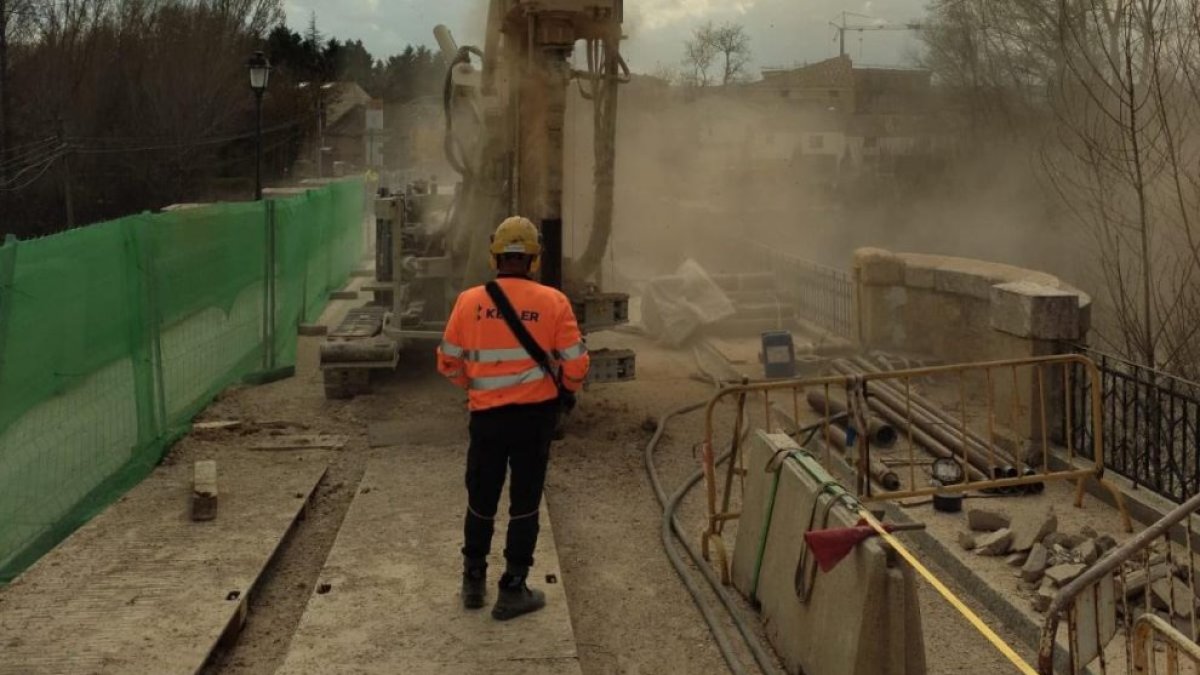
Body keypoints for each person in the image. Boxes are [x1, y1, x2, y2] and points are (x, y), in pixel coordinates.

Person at [436, 216, 590, 621]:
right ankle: (513, 588)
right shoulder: (554, 303)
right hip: (533, 420)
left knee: (481, 498)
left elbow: (448, 362)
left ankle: (473, 581)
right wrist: (565, 391)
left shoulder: (469, 302)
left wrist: (476, 385)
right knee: (524, 502)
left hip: (486, 419)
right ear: (534, 260)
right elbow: (576, 366)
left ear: (495, 256)